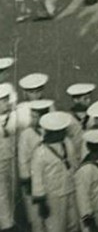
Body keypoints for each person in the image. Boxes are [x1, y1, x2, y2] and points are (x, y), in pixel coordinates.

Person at [32, 111, 80, 232]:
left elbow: (74, 164)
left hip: (70, 189)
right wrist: (41, 202)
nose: (64, 133)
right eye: (61, 131)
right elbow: (37, 179)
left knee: (74, 224)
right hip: (53, 195)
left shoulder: (67, 143)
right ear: (52, 133)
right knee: (56, 227)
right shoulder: (40, 152)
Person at [19, 99, 52, 232]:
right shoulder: (26, 134)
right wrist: (26, 180)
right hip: (33, 181)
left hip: (50, 180)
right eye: (32, 116)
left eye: (36, 116)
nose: (33, 119)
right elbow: (23, 160)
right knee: (36, 219)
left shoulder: (51, 132)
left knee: (51, 218)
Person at [0, 84, 17, 231]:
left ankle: (9, 221)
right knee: (2, 195)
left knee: (11, 191)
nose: (7, 103)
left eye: (7, 100)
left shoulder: (11, 117)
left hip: (10, 159)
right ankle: (7, 226)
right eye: (3, 101)